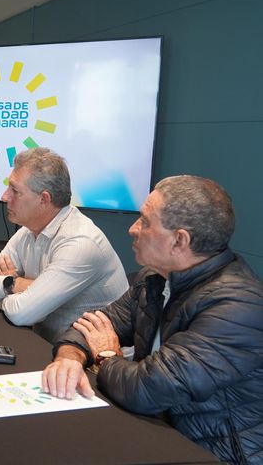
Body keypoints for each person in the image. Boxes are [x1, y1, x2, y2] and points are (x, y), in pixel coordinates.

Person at [42, 176, 263, 464]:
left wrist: (105, 356)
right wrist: (69, 358)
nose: (133, 229)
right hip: (156, 430)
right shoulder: (154, 278)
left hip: (213, 453)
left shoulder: (238, 306)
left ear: (179, 240)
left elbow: (147, 390)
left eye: (145, 222)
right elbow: (90, 326)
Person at [0, 147, 128, 342]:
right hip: (46, 344)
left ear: (44, 199)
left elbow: (21, 314)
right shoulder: (28, 232)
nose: (4, 196)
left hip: (92, 362)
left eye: (15, 191)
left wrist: (10, 286)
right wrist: (14, 284)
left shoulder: (80, 242)